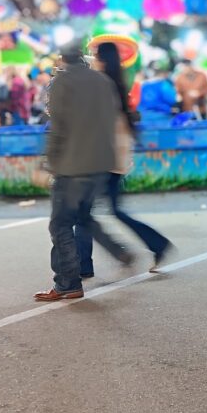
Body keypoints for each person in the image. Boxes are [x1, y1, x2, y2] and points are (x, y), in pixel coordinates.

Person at [34, 46, 137, 302]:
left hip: (72, 165)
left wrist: (48, 164)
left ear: (61, 58)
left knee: (60, 224)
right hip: (101, 163)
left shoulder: (61, 82)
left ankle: (67, 283)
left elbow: (58, 127)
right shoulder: (103, 81)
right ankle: (116, 249)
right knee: (82, 217)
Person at [75, 42, 173, 278]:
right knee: (107, 211)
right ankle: (155, 245)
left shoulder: (103, 86)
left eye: (96, 57)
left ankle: (99, 260)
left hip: (104, 159)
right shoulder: (114, 83)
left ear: (103, 59)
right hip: (114, 159)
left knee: (81, 212)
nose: (93, 60)